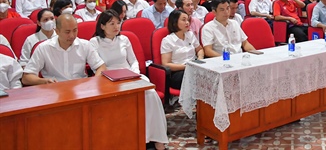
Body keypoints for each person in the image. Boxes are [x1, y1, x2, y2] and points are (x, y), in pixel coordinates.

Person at [89, 10, 168, 149]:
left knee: (150, 94)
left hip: (130, 75)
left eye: (118, 23)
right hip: (107, 79)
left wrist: (135, 73)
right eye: (111, 23)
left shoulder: (124, 39)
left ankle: (156, 138)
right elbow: (97, 66)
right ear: (102, 26)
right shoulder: (94, 42)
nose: (116, 26)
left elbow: (134, 61)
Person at [22, 14, 106, 85]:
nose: (72, 35)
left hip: (81, 88)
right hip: (54, 90)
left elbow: (101, 67)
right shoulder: (43, 48)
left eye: (75, 30)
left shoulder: (85, 45)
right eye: (67, 32)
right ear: (57, 31)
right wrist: (43, 81)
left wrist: (94, 82)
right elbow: (26, 77)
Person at [160, 10, 203, 90]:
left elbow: (199, 49)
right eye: (184, 20)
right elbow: (166, 64)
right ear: (175, 22)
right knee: (197, 78)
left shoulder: (190, 34)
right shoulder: (168, 40)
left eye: (188, 20)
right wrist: (186, 66)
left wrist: (200, 59)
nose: (187, 23)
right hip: (178, 72)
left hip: (194, 66)